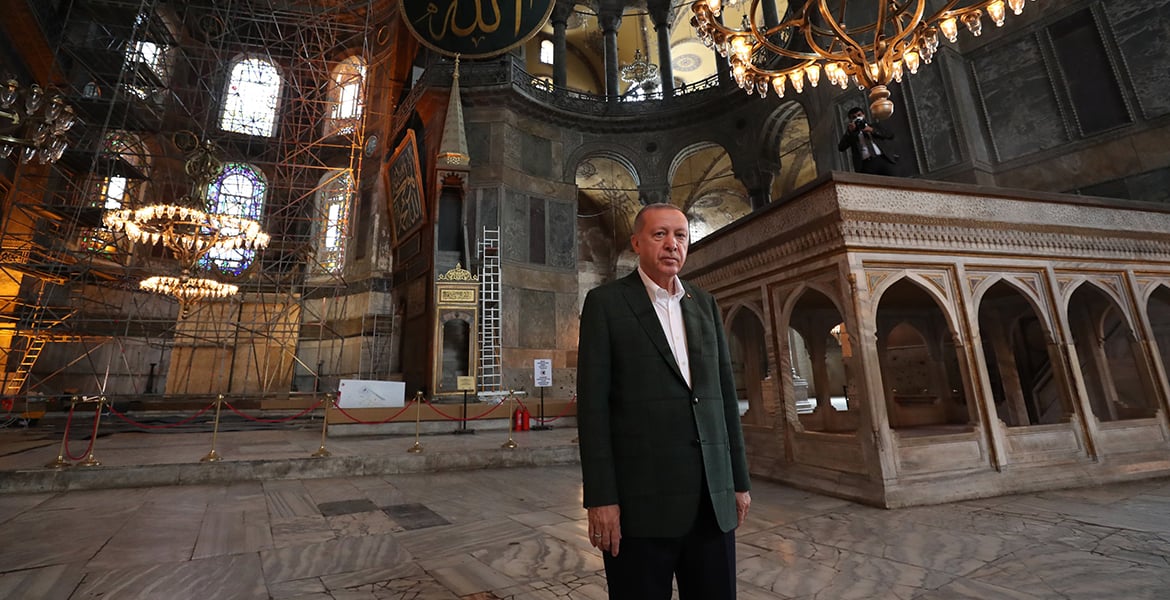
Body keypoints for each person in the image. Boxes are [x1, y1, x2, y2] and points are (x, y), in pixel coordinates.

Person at [576, 203, 751, 600]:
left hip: (710, 504)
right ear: (637, 243)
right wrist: (601, 499)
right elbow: (593, 410)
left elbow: (724, 401)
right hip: (641, 508)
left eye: (680, 236)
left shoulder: (704, 304)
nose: (672, 244)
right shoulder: (606, 304)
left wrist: (738, 482)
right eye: (660, 234)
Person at [838, 105, 898, 176]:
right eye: (854, 117)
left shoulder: (874, 126)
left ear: (864, 115)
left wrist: (872, 130)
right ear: (851, 120)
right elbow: (841, 147)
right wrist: (849, 132)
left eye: (859, 115)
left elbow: (890, 135)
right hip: (866, 165)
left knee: (893, 180)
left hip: (883, 159)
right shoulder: (851, 133)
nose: (857, 118)